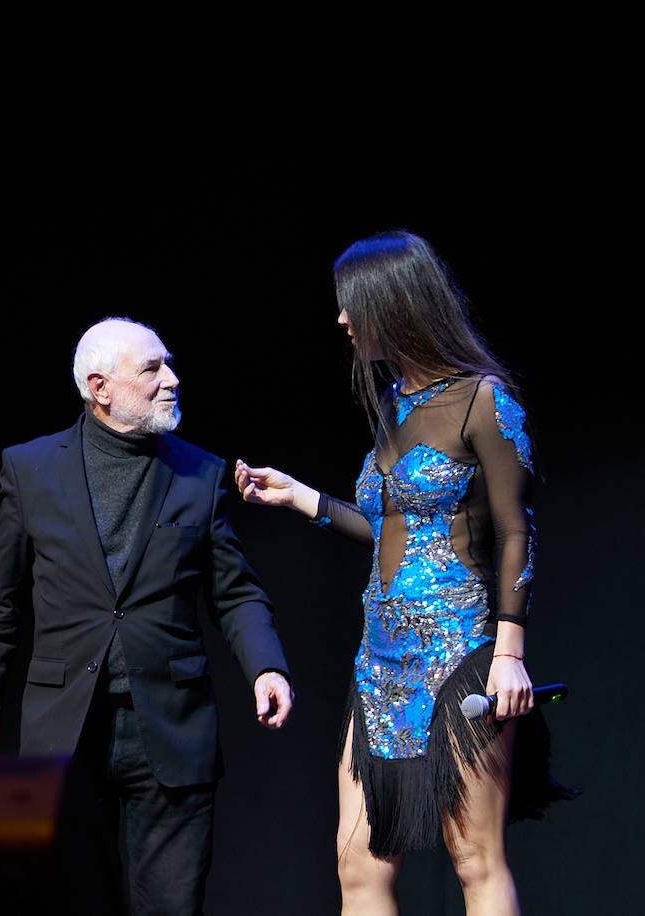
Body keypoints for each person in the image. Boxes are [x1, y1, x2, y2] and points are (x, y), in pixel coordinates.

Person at [234, 230, 578, 915]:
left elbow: (517, 529)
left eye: (350, 305)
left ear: (394, 304)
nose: (341, 320)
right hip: (381, 666)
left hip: (463, 654)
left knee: (474, 857)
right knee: (356, 865)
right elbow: (397, 529)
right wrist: (300, 498)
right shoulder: (395, 404)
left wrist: (510, 653)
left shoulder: (485, 400)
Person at [0, 316, 294, 916]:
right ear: (100, 387)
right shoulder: (30, 469)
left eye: (168, 364)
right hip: (63, 731)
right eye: (152, 368)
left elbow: (235, 592)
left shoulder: (200, 472)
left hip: (169, 723)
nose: (172, 379)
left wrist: (266, 666)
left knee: (170, 907)